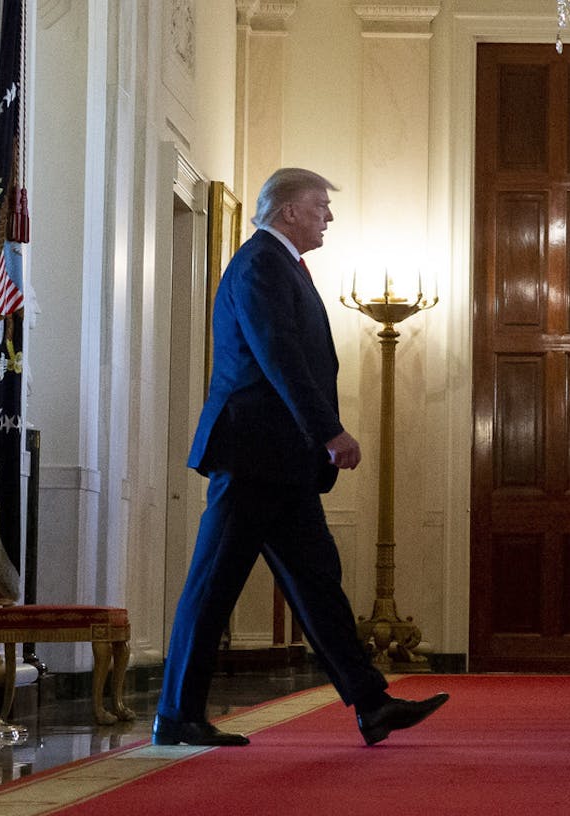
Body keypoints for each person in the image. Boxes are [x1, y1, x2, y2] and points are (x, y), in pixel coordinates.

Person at [158, 168, 447, 747]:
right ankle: (177, 714)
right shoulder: (262, 262)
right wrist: (330, 432)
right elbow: (279, 356)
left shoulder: (279, 264)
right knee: (212, 585)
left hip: (282, 462)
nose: (329, 217)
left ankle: (371, 704)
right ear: (288, 211)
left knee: (319, 585)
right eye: (320, 206)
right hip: (253, 455)